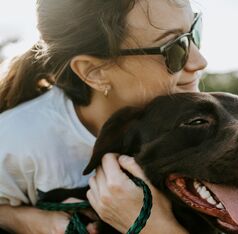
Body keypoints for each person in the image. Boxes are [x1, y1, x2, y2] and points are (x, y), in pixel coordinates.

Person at [0, 0, 207, 233]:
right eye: (175, 48)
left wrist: (154, 226)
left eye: (194, 31)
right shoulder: (15, 142)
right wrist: (31, 221)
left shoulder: (203, 126)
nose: (199, 61)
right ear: (94, 72)